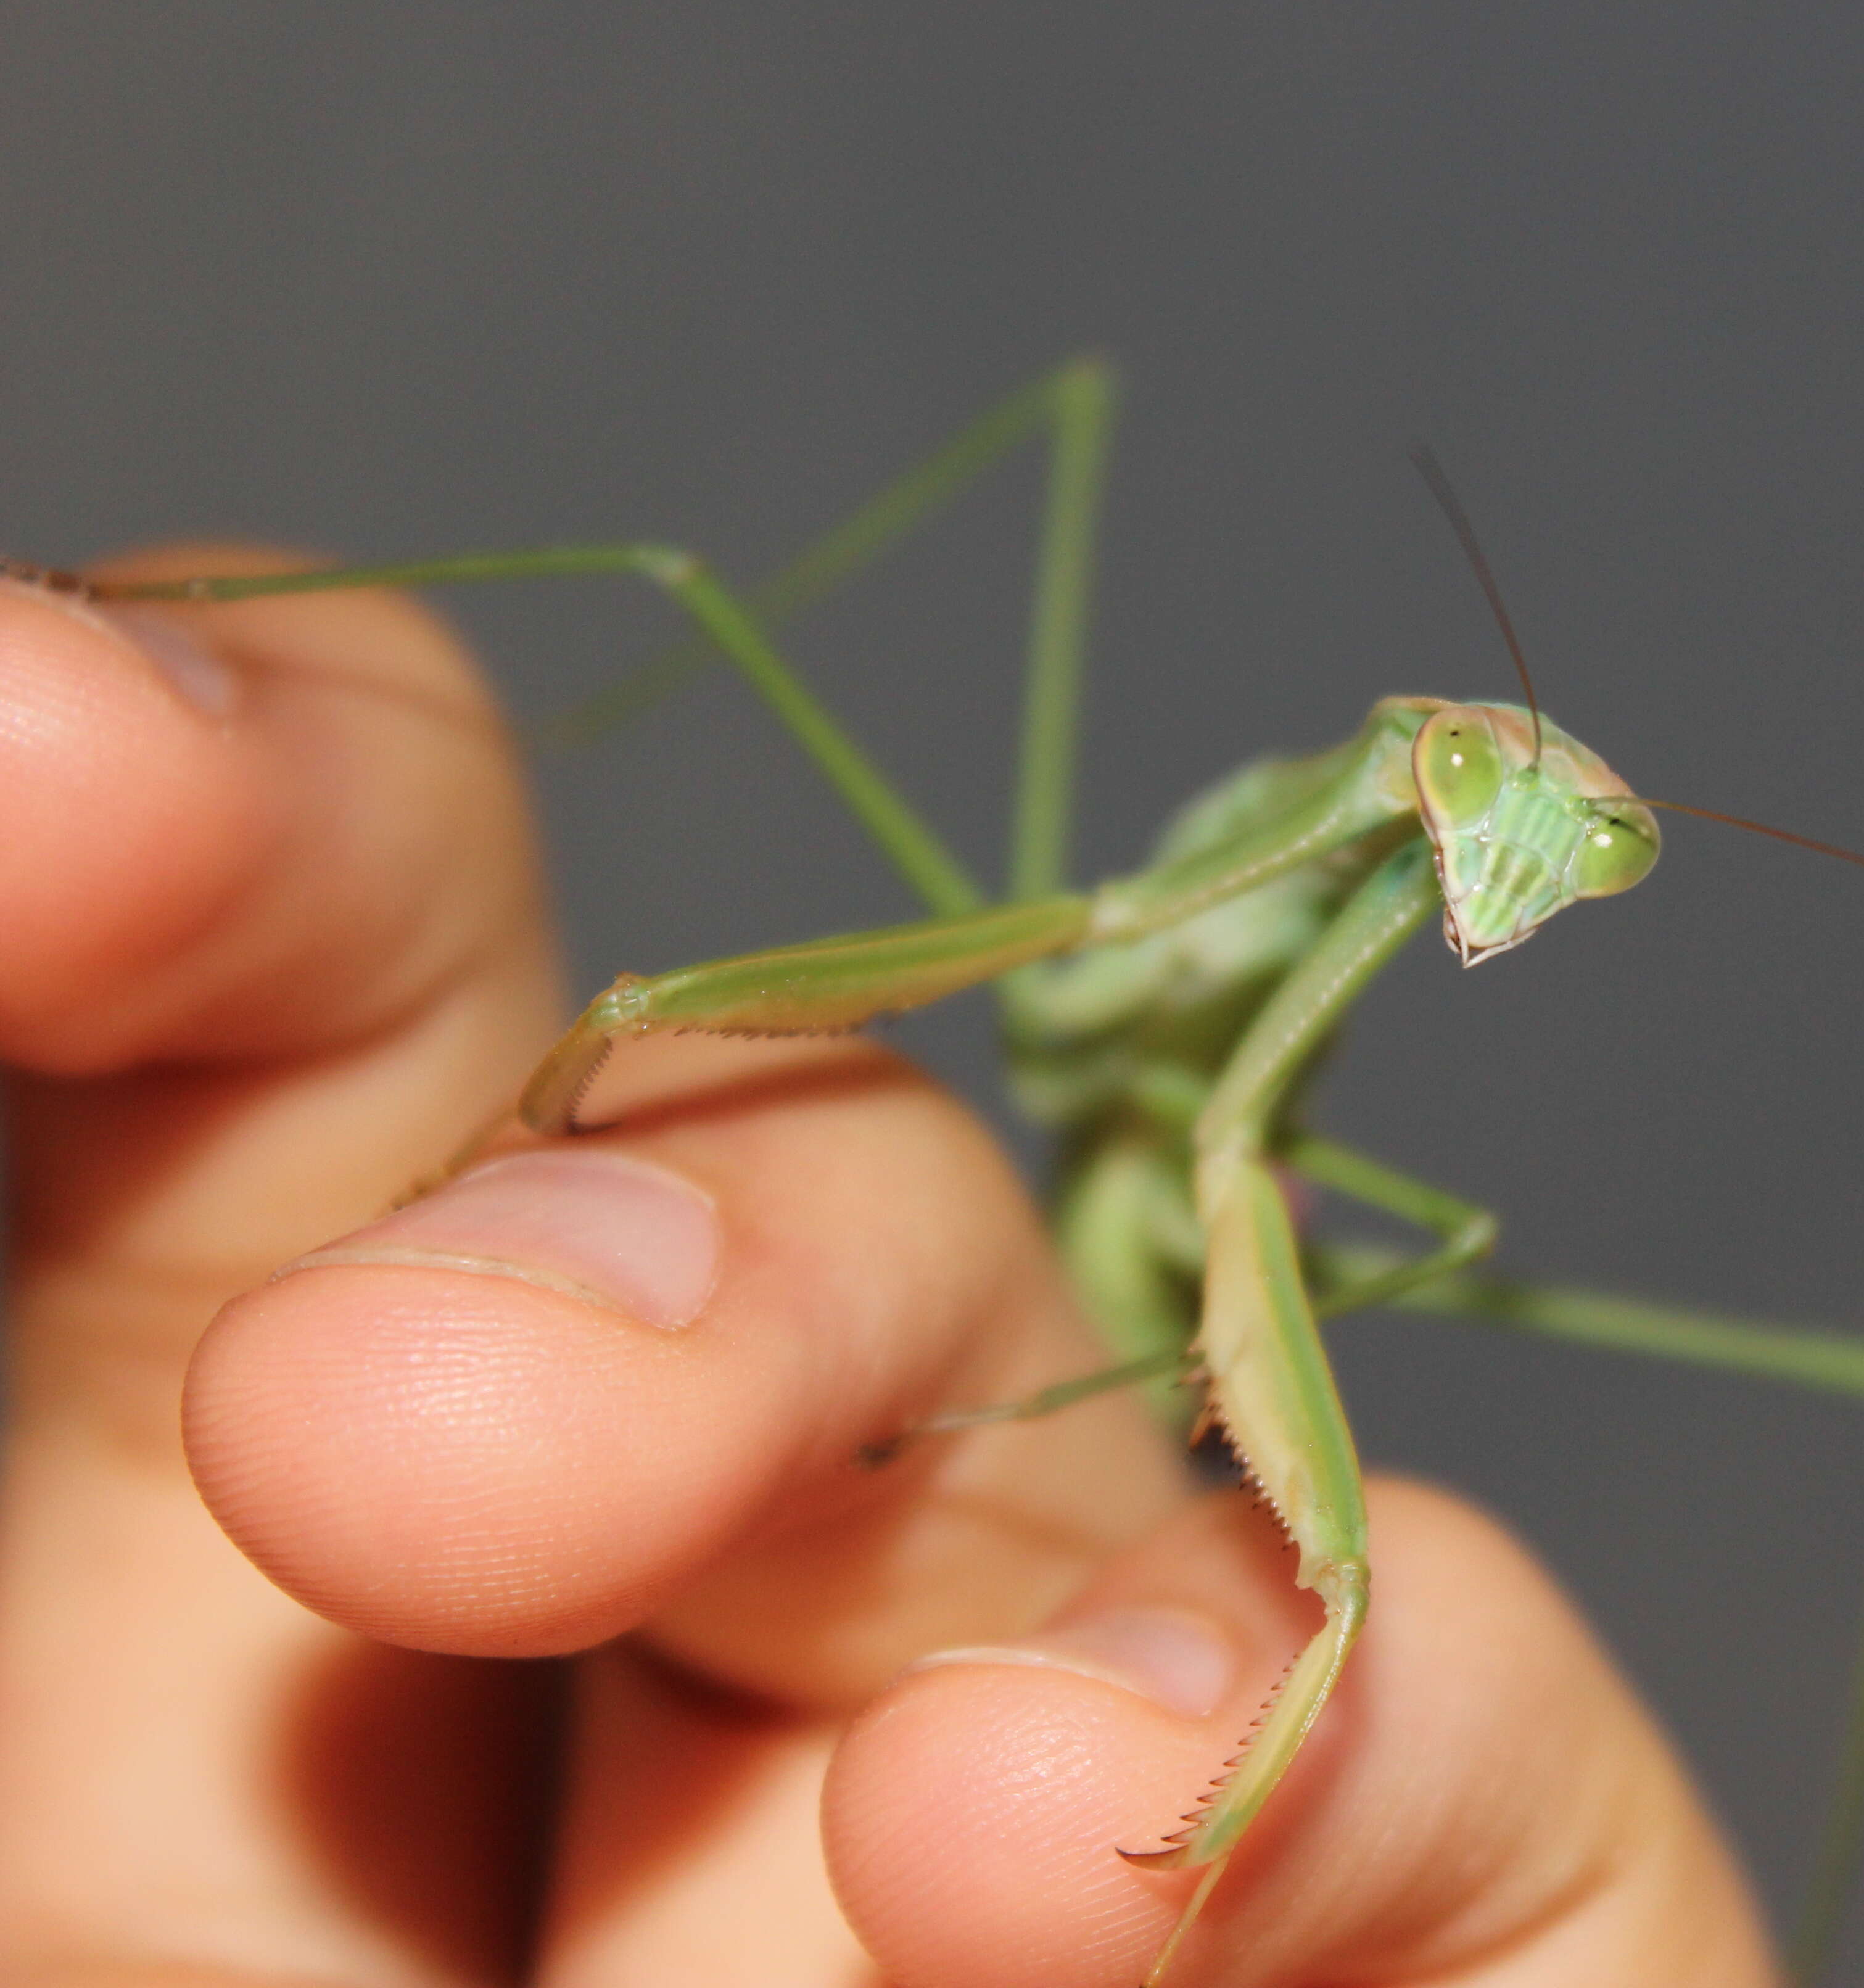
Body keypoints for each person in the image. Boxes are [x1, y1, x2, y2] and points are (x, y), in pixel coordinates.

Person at [0, 555, 1773, 1984]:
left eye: (1596, 857)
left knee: (1408, 1393)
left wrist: (1071, 1386)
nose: (1527, 869)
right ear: (1417, 753)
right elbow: (1165, 1045)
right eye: (1486, 785)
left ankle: (1161, 1869)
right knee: (654, 829)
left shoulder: (1318, 1024)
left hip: (1162, 1217)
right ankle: (467, 1175)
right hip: (1098, 995)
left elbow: (1239, 1132)